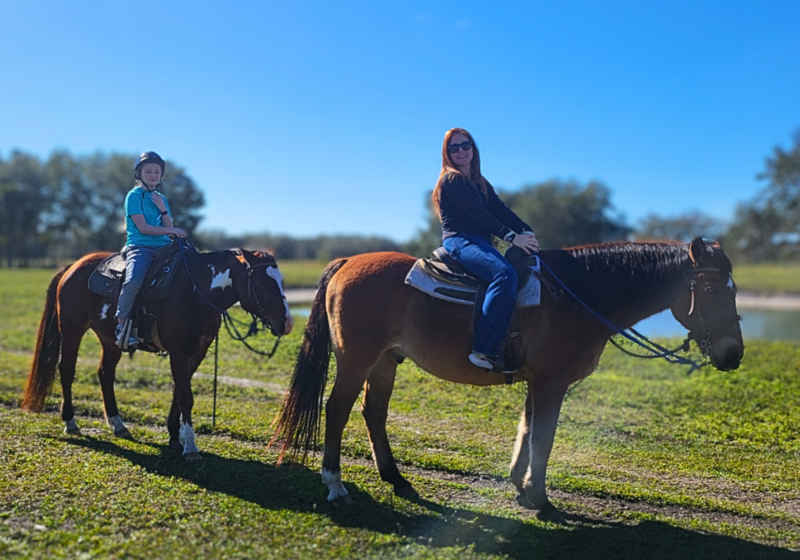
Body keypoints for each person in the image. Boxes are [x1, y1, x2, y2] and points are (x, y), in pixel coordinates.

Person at [432, 128, 540, 371]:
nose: (460, 151)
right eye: (454, 147)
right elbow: (478, 215)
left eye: (465, 145)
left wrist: (527, 231)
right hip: (459, 240)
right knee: (504, 274)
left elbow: (500, 211)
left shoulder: (480, 183)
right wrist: (513, 237)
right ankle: (484, 350)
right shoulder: (451, 180)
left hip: (480, 242)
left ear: (473, 148)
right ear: (446, 153)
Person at [115, 152, 187, 348]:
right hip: (141, 247)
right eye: (149, 171)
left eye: (157, 171)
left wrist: (163, 209)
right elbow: (144, 228)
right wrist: (172, 229)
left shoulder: (160, 198)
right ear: (139, 174)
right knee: (134, 279)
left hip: (165, 247)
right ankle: (121, 327)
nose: (153, 175)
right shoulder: (134, 196)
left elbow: (167, 223)